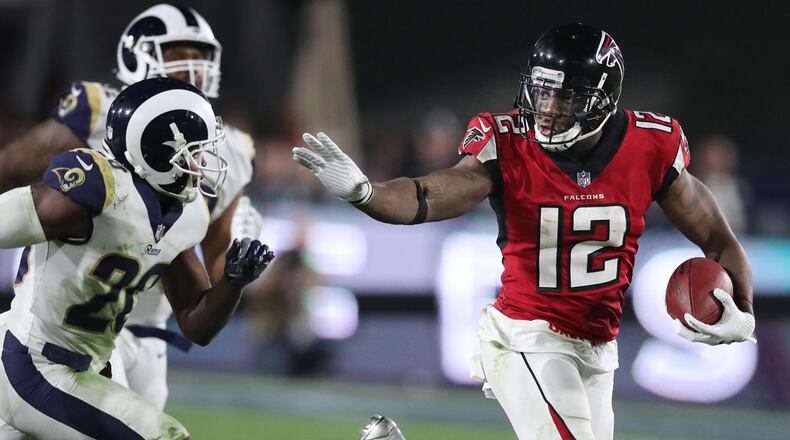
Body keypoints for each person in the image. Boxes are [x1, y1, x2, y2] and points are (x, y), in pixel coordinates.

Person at [293, 23, 755, 440]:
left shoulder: (650, 145)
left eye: (567, 97)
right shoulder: (508, 143)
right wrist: (364, 192)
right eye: (543, 92)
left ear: (603, 99)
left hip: (598, 347)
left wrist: (745, 311)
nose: (549, 109)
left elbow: (718, 237)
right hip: (527, 335)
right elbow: (428, 195)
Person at [0, 4, 261, 410]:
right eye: (177, 56)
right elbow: (11, 170)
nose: (193, 68)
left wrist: (240, 250)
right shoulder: (99, 109)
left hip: (152, 318)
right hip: (72, 310)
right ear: (136, 54)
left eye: (202, 57)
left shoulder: (228, 145)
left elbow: (213, 266)